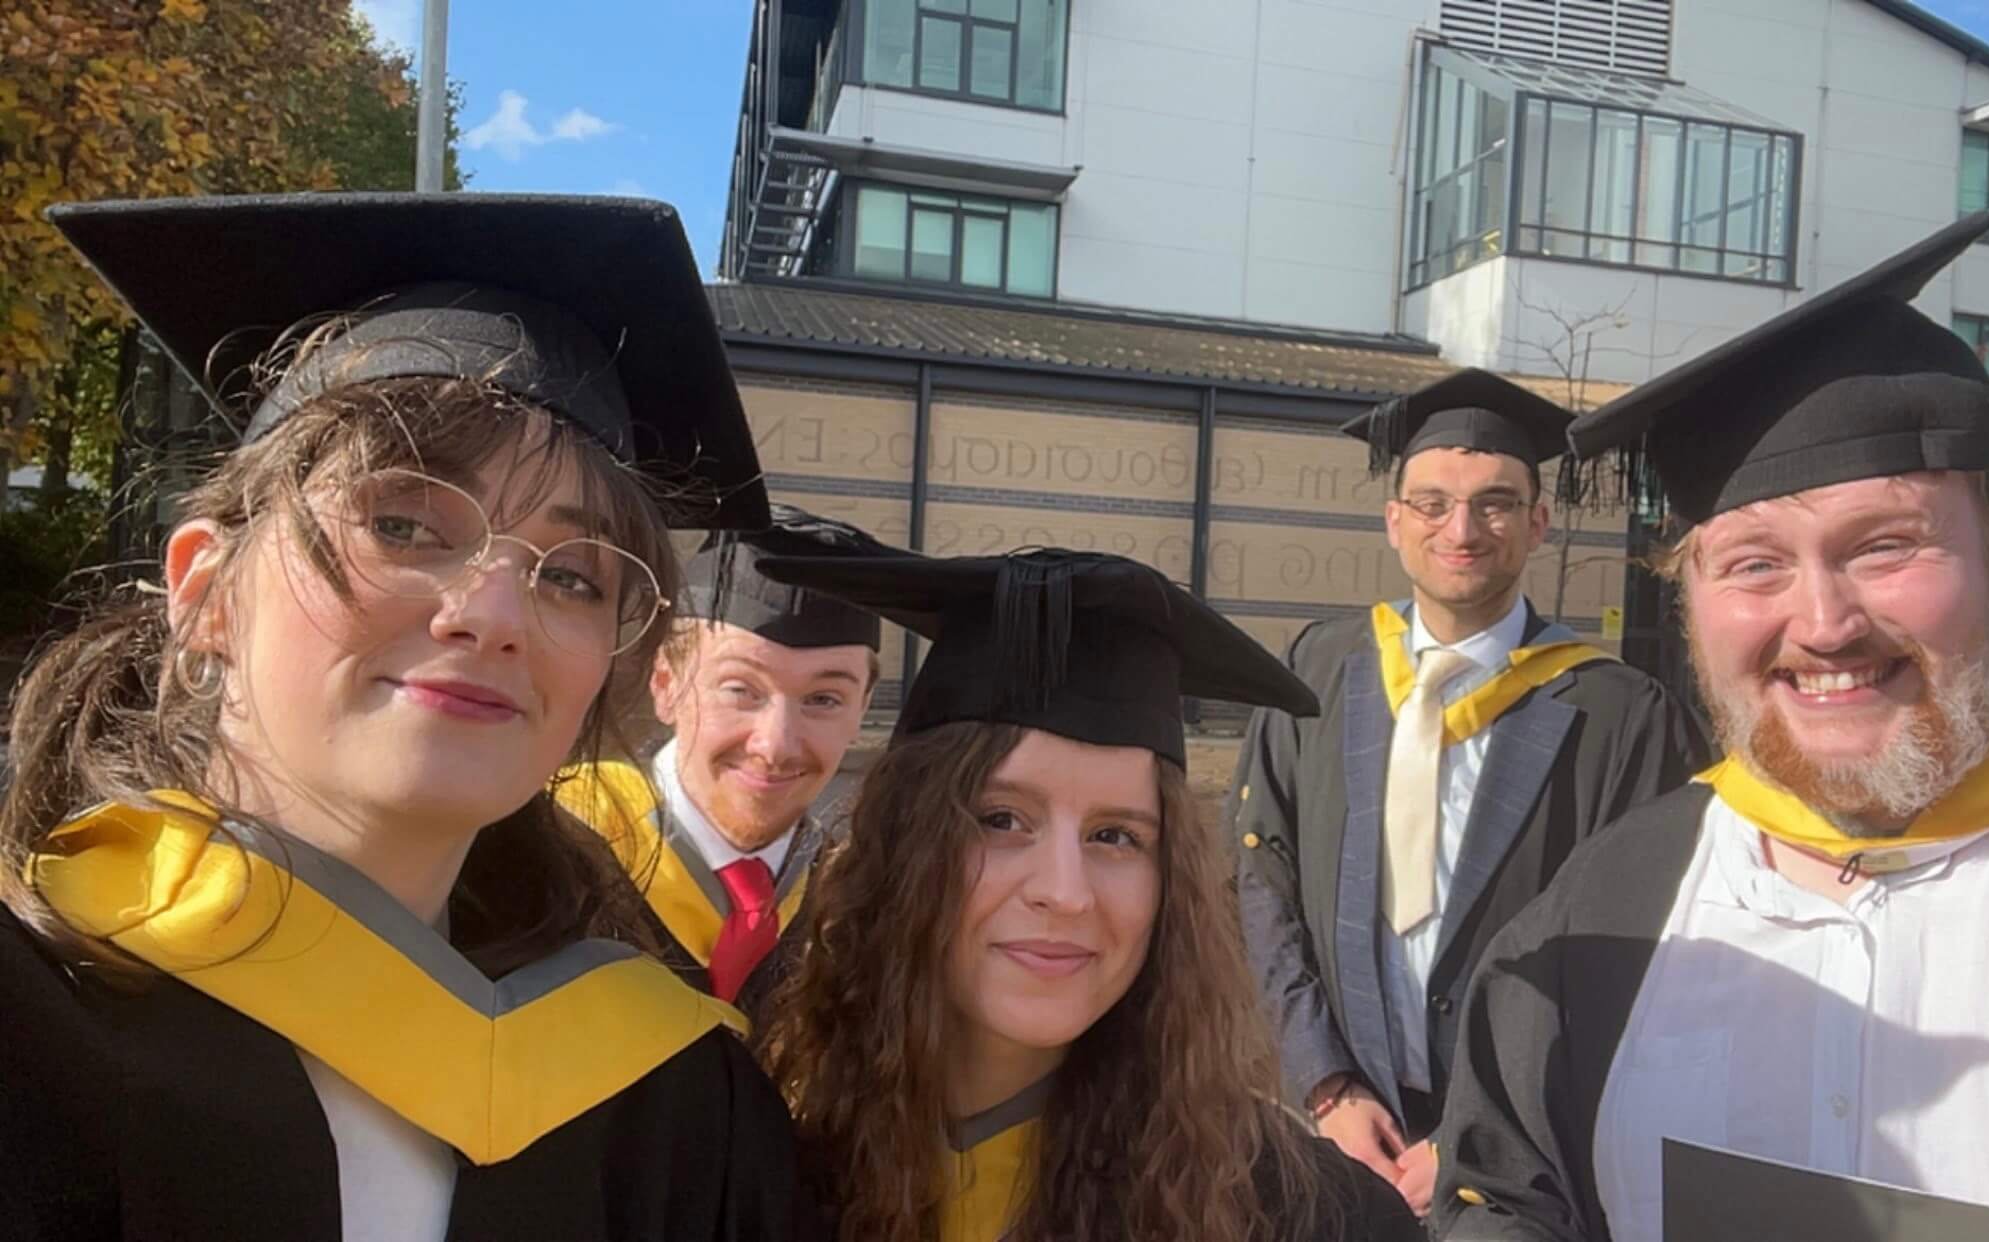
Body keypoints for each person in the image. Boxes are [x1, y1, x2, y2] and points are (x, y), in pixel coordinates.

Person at [0, 193, 814, 1241]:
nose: (493, 614)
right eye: (402, 524)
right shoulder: (33, 1023)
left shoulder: (676, 1106)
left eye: (573, 577)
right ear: (205, 591)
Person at [1433, 213, 1989, 1242]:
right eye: (1754, 564)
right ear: (1690, 598)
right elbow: (1506, 1201)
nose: (1826, 624)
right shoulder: (1609, 901)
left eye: (1885, 546)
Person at [751, 548, 1427, 1242]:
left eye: (1115, 836)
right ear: (904, 848)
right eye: (1002, 820)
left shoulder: (1309, 1220)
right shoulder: (758, 1168)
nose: (1066, 893)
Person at [1231, 369, 1709, 1216]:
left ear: (1537, 523)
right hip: (1341, 1135)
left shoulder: (1621, 714)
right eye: (1432, 503)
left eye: (1495, 503)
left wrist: (1473, 1128)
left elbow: (1638, 953)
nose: (1461, 529)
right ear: (1394, 521)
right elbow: (1260, 878)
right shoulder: (1316, 671)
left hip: (1531, 1157)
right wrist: (1324, 1083)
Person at [558, 506, 899, 1025]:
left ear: (862, 710)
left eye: (824, 699)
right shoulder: (555, 844)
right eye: (741, 689)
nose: (775, 745)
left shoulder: (860, 903)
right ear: (666, 684)